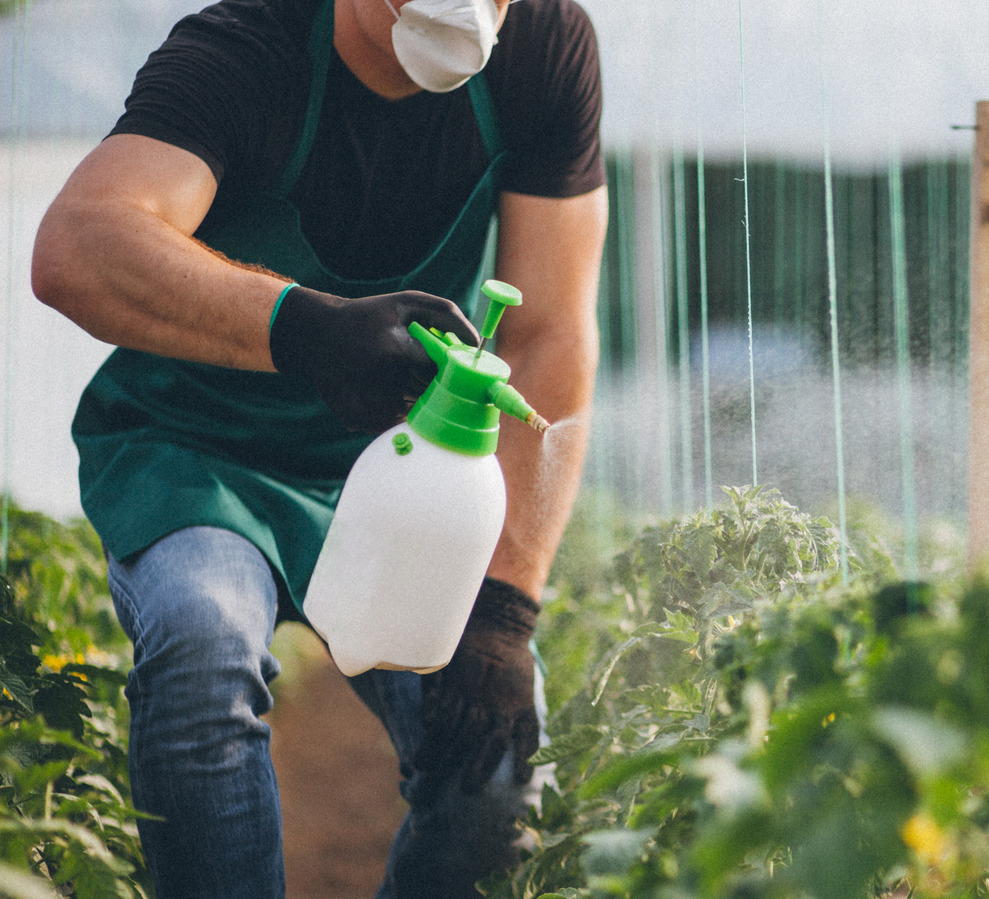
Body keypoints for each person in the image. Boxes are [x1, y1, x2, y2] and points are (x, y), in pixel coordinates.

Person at [29, 0, 607, 892]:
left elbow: (551, 332)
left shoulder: (542, 45)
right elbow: (80, 241)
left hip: (404, 477)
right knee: (201, 649)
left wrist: (506, 605)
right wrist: (303, 326)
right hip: (200, 458)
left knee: (493, 765)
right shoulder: (249, 47)